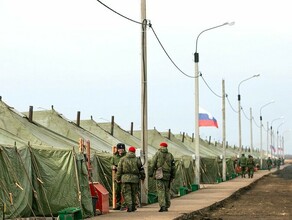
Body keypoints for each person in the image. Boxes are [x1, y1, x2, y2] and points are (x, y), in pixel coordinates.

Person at [116, 146, 145, 212]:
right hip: (135, 179)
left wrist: (117, 178)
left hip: (125, 179)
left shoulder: (123, 159)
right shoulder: (137, 159)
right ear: (134, 152)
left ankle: (129, 206)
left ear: (128, 151)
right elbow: (141, 169)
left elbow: (119, 170)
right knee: (134, 193)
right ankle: (133, 206)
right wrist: (143, 177)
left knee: (126, 193)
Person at [149, 142, 176, 212]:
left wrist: (150, 173)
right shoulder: (170, 155)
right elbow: (173, 167)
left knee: (160, 190)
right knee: (166, 190)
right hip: (168, 175)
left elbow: (152, 164)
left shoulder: (157, 154)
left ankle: (163, 206)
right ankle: (167, 205)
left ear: (160, 146)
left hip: (159, 173)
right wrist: (173, 176)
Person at [111, 143, 127, 210]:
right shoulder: (114, 157)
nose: (121, 150)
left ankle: (124, 205)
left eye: (122, 149)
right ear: (117, 149)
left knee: (124, 191)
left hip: (124, 175)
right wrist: (113, 166)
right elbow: (111, 164)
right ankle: (118, 204)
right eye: (119, 149)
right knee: (117, 191)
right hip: (117, 175)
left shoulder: (126, 156)